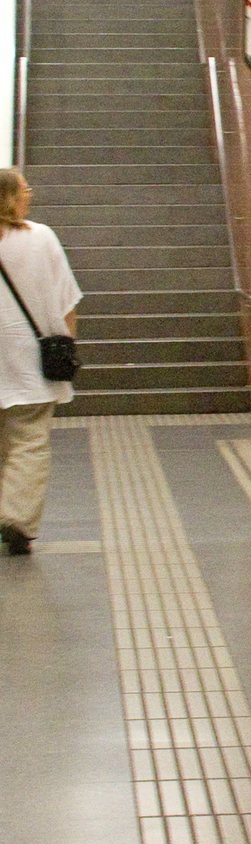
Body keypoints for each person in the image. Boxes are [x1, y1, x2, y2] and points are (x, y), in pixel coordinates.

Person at [0, 168, 81, 555]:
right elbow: (67, 300)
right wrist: (66, 344)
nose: (29, 194)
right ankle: (15, 516)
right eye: (25, 189)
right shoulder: (40, 237)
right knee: (29, 442)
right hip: (28, 362)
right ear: (12, 198)